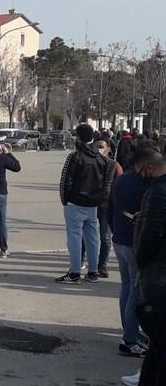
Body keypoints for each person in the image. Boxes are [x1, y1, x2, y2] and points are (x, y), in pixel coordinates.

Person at [108, 142, 155, 358]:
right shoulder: (149, 184)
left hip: (119, 239)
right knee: (136, 290)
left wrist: (114, 232)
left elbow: (110, 209)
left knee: (127, 285)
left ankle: (129, 330)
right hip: (134, 241)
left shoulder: (121, 180)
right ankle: (129, 338)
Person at [56, 123, 117, 283]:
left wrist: (65, 200)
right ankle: (93, 271)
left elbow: (66, 181)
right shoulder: (101, 158)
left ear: (79, 138)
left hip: (75, 202)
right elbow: (106, 182)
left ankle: (75, 272)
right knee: (92, 238)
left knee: (74, 238)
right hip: (94, 203)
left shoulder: (75, 156)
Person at [133, 144, 166, 384]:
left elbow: (152, 229)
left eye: (139, 173)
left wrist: (141, 258)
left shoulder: (157, 192)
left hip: (157, 268)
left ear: (148, 169)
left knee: (157, 330)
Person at [94, 135, 123, 278]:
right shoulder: (90, 163)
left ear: (108, 149)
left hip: (106, 206)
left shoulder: (115, 166)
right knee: (87, 237)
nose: (99, 150)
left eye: (101, 147)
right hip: (91, 205)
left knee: (105, 237)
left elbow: (122, 186)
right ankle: (81, 262)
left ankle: (102, 265)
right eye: (96, 147)